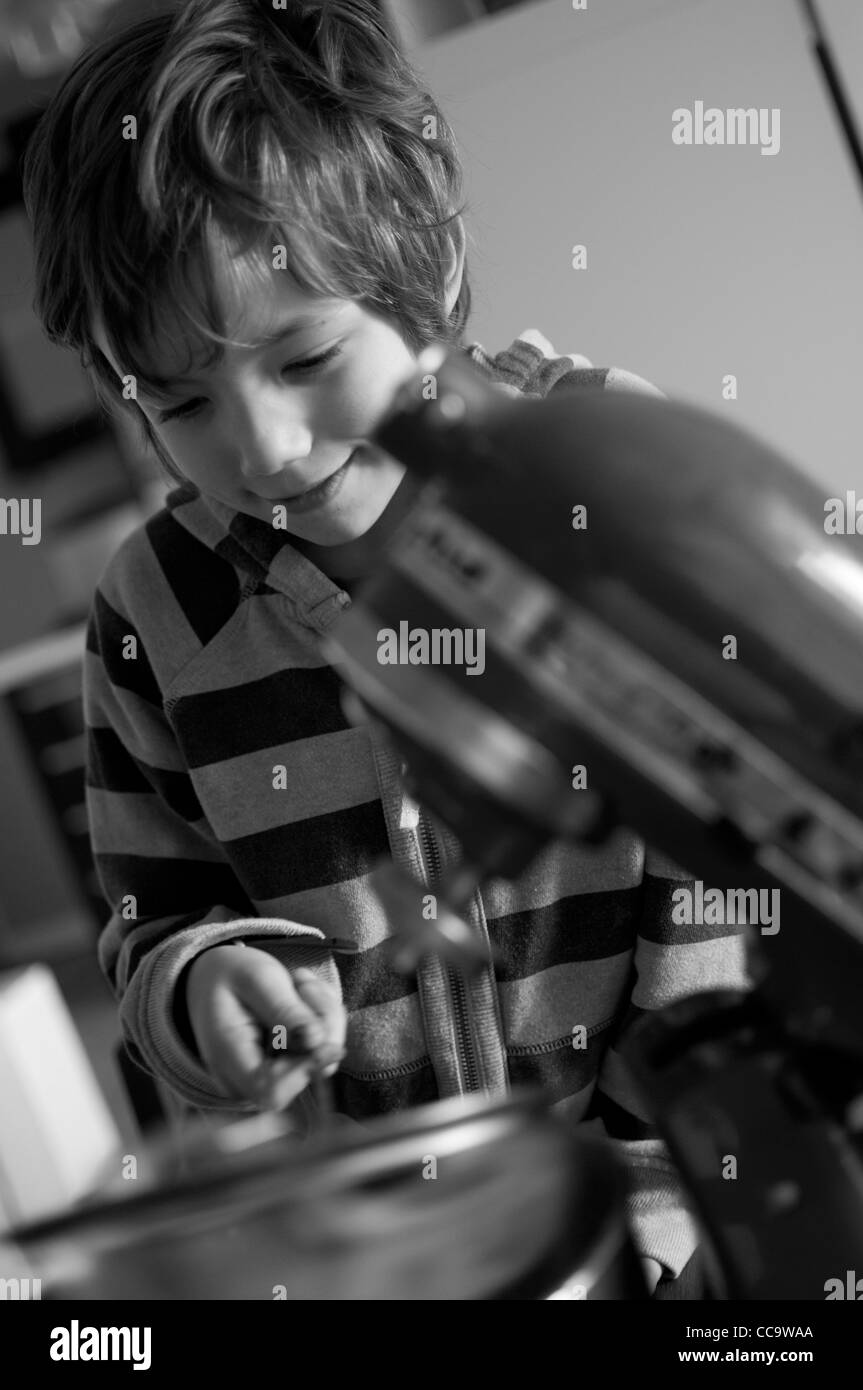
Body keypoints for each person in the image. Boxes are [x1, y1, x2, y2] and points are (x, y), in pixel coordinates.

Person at [22, 0, 747, 1297]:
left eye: (305, 357)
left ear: (431, 274)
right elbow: (151, 922)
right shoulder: (155, 613)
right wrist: (203, 990)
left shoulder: (582, 480)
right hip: (386, 1258)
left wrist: (655, 1165)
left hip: (666, 1205)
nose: (264, 450)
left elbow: (725, 852)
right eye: (178, 402)